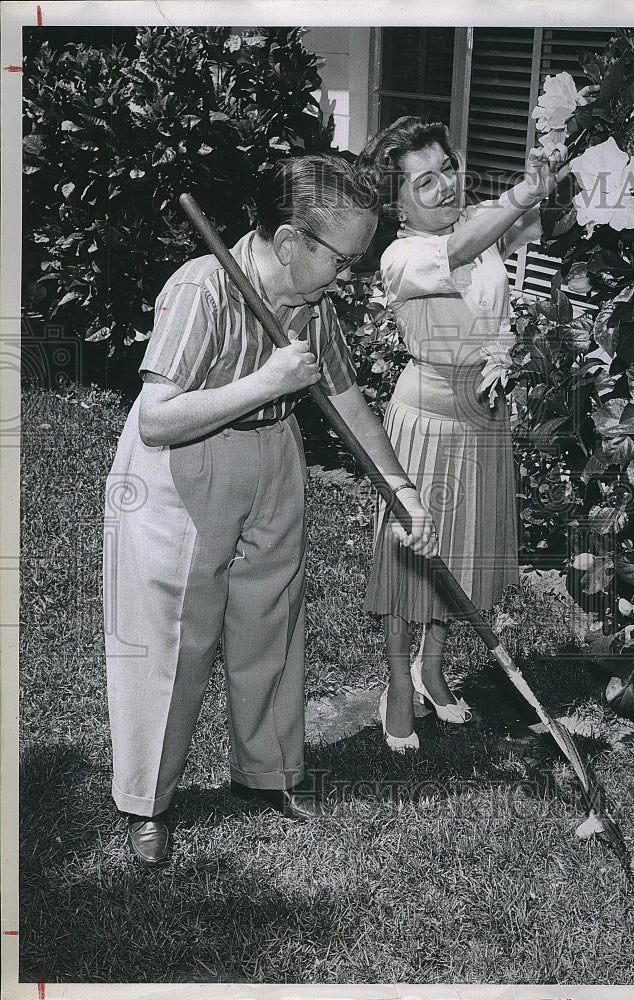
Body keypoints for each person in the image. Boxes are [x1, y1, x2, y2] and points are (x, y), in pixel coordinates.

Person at [103, 155, 437, 867]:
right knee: (174, 639)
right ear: (290, 243)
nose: (349, 274)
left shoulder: (314, 306)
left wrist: (402, 492)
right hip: (184, 466)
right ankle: (148, 802)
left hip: (273, 454)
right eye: (342, 258)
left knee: (270, 622)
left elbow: (349, 403)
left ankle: (267, 775)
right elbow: (159, 419)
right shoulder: (203, 290)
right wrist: (266, 381)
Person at [355, 117, 565, 752]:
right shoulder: (404, 255)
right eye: (425, 181)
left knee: (465, 549)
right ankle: (397, 683)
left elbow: (545, 223)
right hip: (429, 417)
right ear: (395, 203)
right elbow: (463, 248)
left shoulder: (479, 223)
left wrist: (562, 173)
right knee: (411, 558)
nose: (445, 185)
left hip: (485, 413)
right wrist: (521, 195)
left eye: (448, 167)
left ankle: (432, 667)